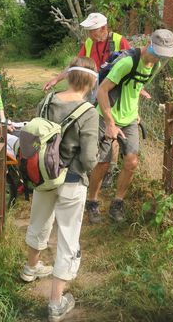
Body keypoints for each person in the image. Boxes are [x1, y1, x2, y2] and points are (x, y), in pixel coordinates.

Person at [22, 56, 99, 322]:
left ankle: (30, 268)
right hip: (72, 181)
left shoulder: (47, 101)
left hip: (43, 175)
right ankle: (56, 302)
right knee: (68, 235)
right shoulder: (88, 112)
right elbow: (89, 158)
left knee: (39, 220)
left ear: (68, 76)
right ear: (91, 81)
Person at [43, 13, 130, 224]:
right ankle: (94, 165)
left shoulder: (119, 41)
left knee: (113, 130)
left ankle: (107, 167)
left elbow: (132, 68)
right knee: (93, 126)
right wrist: (57, 78)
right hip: (93, 88)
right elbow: (77, 66)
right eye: (89, 31)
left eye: (93, 30)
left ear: (104, 28)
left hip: (114, 92)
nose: (90, 34)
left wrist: (139, 90)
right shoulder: (90, 42)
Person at [95, 29, 173, 223]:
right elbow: (102, 90)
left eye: (162, 56)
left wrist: (135, 112)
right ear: (149, 43)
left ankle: (117, 203)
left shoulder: (154, 66)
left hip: (130, 118)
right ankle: (92, 201)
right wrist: (110, 123)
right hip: (108, 115)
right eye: (156, 53)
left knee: (131, 162)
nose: (157, 58)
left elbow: (135, 87)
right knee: (103, 163)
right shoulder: (127, 62)